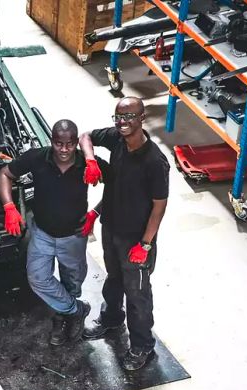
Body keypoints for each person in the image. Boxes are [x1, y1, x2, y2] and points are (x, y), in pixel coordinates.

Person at [0, 120, 107, 346]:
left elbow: (120, 186)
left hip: (74, 236)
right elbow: (4, 174)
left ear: (76, 143)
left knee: (72, 283)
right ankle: (76, 310)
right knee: (37, 277)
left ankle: (62, 315)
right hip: (43, 234)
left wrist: (96, 213)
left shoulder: (88, 164)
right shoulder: (37, 158)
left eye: (69, 144)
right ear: (51, 141)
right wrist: (9, 206)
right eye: (58, 143)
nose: (64, 150)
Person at [79, 97, 170, 371]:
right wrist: (91, 160)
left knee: (138, 294)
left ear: (142, 118)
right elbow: (85, 136)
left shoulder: (154, 161)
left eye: (129, 117)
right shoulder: (117, 140)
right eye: (118, 117)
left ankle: (142, 346)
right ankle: (111, 319)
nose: (122, 122)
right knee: (114, 279)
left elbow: (159, 206)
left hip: (136, 239)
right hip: (113, 229)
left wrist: (145, 244)